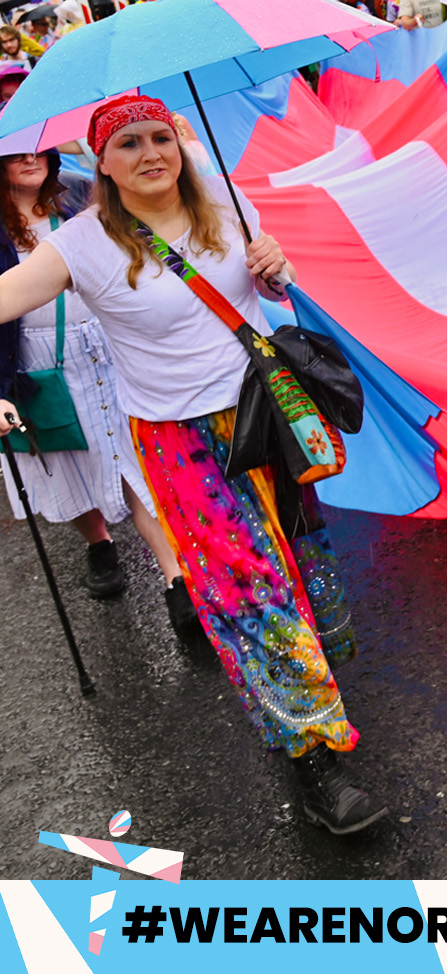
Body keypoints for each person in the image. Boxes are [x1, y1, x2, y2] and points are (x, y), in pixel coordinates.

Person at [0, 95, 386, 835]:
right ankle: (314, 763)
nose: (151, 154)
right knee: (251, 588)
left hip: (264, 417)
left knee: (300, 563)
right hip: (179, 444)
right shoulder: (81, 245)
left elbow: (264, 286)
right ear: (100, 164)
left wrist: (276, 270)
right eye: (128, 145)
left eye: (160, 138)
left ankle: (303, 699)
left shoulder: (223, 201)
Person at [0, 148, 191, 627]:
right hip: (34, 361)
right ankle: (98, 543)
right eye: (13, 155)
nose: (29, 161)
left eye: (35, 152)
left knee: (132, 458)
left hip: (107, 347)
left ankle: (175, 579)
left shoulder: (80, 201)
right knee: (68, 460)